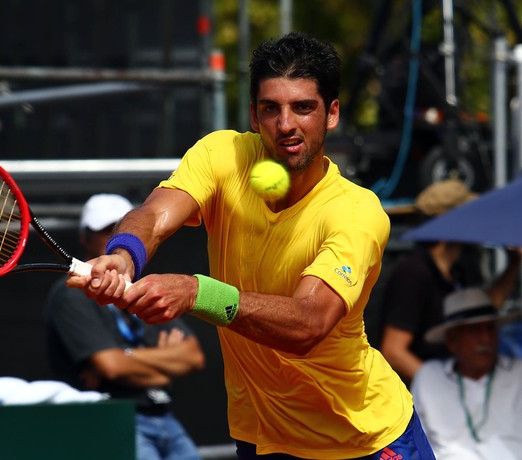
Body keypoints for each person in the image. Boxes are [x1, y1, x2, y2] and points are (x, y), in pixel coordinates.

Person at [67, 32, 435, 459]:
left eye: (303, 108)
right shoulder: (221, 154)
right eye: (270, 109)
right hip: (264, 437)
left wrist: (197, 291)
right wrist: (123, 254)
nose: (285, 125)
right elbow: (154, 213)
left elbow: (308, 324)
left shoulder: (356, 212)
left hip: (365, 439)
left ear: (331, 114)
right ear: (253, 114)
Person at [44, 193, 205, 460]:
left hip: (164, 416)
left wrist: (128, 361)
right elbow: (112, 365)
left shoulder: (137, 288)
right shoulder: (70, 294)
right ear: (85, 238)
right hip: (110, 423)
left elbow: (192, 355)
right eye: (108, 231)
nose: (116, 241)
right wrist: (160, 367)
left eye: (121, 230)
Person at [380, 179, 522, 384]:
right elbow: (393, 351)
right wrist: (442, 390)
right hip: (420, 401)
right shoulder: (413, 273)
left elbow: (484, 312)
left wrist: (515, 262)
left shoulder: (458, 269)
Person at [410, 287, 522, 459]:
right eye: (474, 330)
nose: (485, 338)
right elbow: (415, 444)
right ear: (452, 340)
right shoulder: (429, 377)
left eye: (490, 328)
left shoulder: (518, 374)